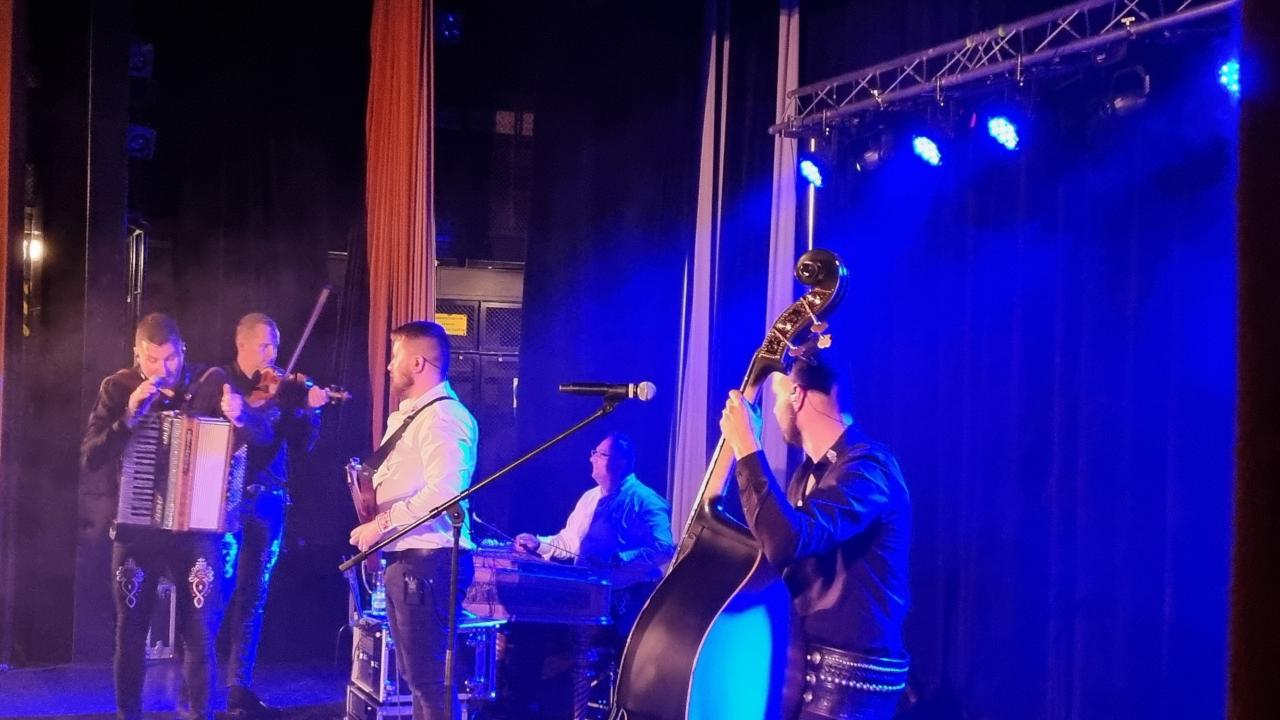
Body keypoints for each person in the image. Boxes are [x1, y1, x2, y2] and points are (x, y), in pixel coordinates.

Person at [718, 352, 911, 720]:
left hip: (847, 692)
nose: (774, 411)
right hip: (805, 677)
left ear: (797, 394)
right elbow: (782, 553)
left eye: (777, 397)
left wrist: (746, 446)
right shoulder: (806, 476)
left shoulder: (869, 469)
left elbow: (786, 541)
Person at [81, 313, 253, 720]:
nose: (162, 369)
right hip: (136, 530)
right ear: (137, 354)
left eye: (170, 358)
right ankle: (128, 715)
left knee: (200, 631)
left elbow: (253, 445)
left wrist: (242, 417)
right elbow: (91, 456)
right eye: (152, 360)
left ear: (182, 351)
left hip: (197, 530)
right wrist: (129, 416)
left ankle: (199, 714)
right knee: (131, 627)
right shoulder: (118, 387)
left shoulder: (210, 383)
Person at [348, 320, 478, 720]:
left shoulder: (444, 417)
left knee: (430, 680)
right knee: (416, 677)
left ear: (418, 363)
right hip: (409, 563)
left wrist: (381, 524)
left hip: (429, 564)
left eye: (395, 356)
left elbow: (445, 492)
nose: (389, 366)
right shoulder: (413, 417)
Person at [219, 313, 327, 719]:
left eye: (276, 346)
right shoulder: (223, 382)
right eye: (265, 345)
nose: (272, 354)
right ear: (242, 345)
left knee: (255, 596)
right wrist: (251, 408)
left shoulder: (286, 389)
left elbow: (304, 444)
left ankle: (239, 688)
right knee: (216, 593)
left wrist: (310, 410)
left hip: (270, 500)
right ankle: (201, 686)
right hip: (227, 500)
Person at [514, 432, 675, 633]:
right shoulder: (588, 498)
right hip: (587, 596)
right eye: (594, 453)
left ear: (621, 462)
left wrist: (618, 559)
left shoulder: (646, 500)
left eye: (600, 455)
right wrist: (538, 544)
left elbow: (664, 548)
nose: (592, 459)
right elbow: (570, 542)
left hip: (627, 604)